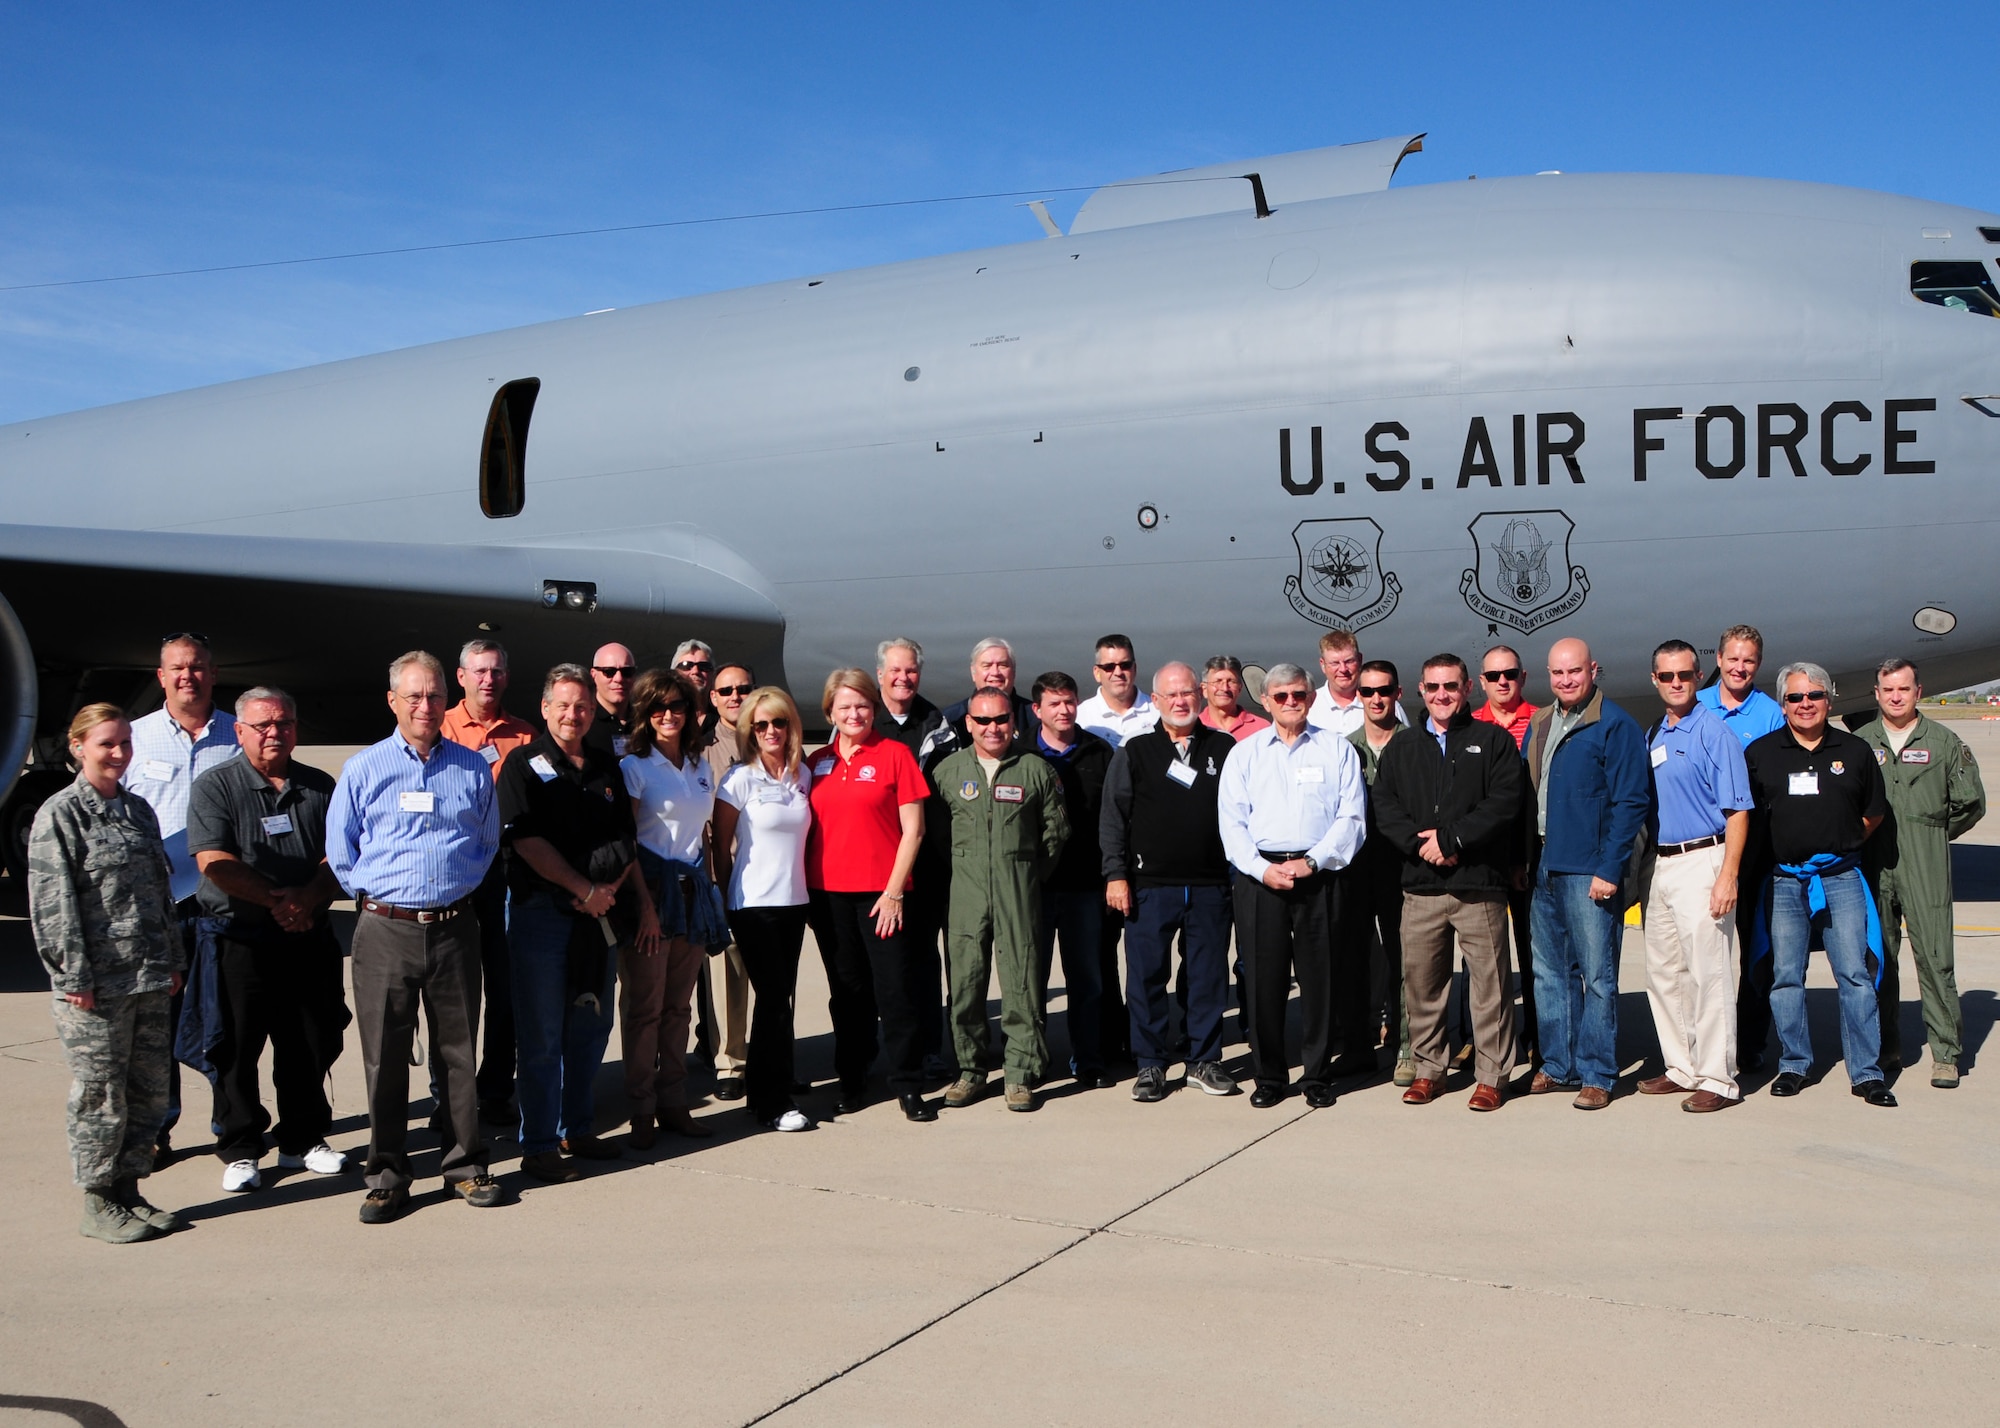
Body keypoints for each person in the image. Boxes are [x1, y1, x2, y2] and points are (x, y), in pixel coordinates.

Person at [326, 651, 504, 1223]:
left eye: (433, 696)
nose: (425, 706)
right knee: (384, 1058)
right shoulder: (364, 768)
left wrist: (453, 891)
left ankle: (465, 1165)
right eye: (413, 697)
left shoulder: (472, 767)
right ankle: (387, 1175)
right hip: (385, 931)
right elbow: (341, 850)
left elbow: (486, 841)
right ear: (393, 702)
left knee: (458, 1053)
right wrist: (382, 897)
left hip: (455, 930)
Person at [30, 704, 185, 1243]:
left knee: (146, 1091)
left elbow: (161, 897)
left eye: (124, 743)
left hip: (147, 976)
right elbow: (53, 904)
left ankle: (129, 1189)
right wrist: (73, 977)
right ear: (78, 747)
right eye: (106, 745)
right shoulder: (61, 814)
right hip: (96, 987)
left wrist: (172, 961)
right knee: (101, 1095)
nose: (119, 754)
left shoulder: (139, 811)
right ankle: (97, 1200)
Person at [186, 687, 349, 1191]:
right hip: (239, 939)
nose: (275, 732)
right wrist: (280, 902)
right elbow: (213, 862)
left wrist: (307, 901)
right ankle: (241, 1147)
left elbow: (341, 855)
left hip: (307, 937)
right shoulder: (216, 786)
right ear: (239, 732)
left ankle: (303, 1139)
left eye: (285, 723)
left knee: (310, 1038)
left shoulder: (320, 786)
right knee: (235, 1046)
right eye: (263, 725)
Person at [500, 664, 650, 1180]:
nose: (573, 714)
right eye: (562, 705)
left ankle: (577, 1128)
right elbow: (525, 840)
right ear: (544, 709)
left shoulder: (608, 767)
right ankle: (539, 1142)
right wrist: (582, 889)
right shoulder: (521, 765)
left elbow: (628, 838)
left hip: (598, 918)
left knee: (589, 1026)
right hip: (542, 915)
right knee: (541, 1034)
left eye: (582, 706)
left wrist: (603, 894)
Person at [1372, 654, 1526, 1111]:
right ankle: (1429, 1070)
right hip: (1420, 887)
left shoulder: (1493, 741)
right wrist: (1422, 846)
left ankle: (1492, 1075)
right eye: (1434, 687)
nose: (1443, 695)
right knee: (1422, 985)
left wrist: (1454, 838)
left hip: (1478, 884)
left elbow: (1504, 802)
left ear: (1467, 690)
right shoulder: (1402, 748)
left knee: (1491, 987)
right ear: (1421, 690)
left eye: (1452, 686)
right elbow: (1385, 804)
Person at [1217, 663, 1367, 1108]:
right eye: (1279, 696)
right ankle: (1269, 1075)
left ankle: (1317, 1075)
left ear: (1311, 696)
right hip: (1260, 878)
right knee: (1264, 979)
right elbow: (1232, 822)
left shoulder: (1336, 749)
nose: (1289, 703)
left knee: (1320, 978)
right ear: (1265, 701)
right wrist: (1261, 869)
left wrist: (1313, 861)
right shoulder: (1244, 754)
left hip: (1317, 875)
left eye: (1297, 694)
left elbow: (1352, 818)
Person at [1746, 663, 1895, 1107]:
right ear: (1782, 703)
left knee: (1855, 975)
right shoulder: (1761, 752)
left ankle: (1866, 1072)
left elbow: (1874, 812)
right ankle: (1793, 1063)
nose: (1805, 704)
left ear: (1829, 698)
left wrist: (1841, 845)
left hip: (1841, 877)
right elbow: (1749, 820)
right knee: (1786, 976)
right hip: (1786, 882)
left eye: (1814, 695)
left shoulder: (1854, 751)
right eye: (1795, 697)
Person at [120, 633, 239, 1166]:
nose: (188, 676)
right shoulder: (135, 739)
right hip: (155, 905)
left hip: (222, 899)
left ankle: (231, 1125)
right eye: (177, 668)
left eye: (198, 667)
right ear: (160, 676)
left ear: (213, 674)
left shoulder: (240, 734)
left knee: (224, 1015)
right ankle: (156, 1126)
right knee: (155, 1022)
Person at [1101, 663, 1239, 1102]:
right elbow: (1113, 819)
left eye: (1186, 694)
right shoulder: (1135, 752)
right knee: (1146, 976)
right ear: (1156, 701)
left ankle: (1204, 1059)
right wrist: (1115, 874)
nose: (1180, 702)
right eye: (1170, 695)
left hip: (1209, 885)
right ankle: (1151, 1064)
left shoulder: (1225, 747)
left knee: (1207, 975)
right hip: (1150, 886)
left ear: (1199, 696)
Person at [1523, 637, 1650, 1111]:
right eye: (1558, 673)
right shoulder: (1540, 722)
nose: (1566, 680)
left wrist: (1610, 868)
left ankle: (1597, 1072)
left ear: (1593, 670)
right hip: (1545, 864)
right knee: (1550, 973)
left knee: (1597, 976)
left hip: (1590, 870)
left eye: (1574, 671)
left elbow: (1631, 802)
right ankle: (1559, 1065)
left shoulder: (1614, 725)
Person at [808, 669, 936, 1121]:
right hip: (828, 897)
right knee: (847, 994)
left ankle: (907, 1083)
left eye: (862, 705)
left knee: (895, 991)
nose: (854, 713)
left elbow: (914, 829)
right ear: (830, 712)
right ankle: (852, 1078)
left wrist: (895, 891)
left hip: (883, 896)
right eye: (844, 706)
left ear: (874, 709)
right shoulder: (815, 762)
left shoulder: (895, 755)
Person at [934, 690, 1070, 1112]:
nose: (993, 729)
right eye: (983, 720)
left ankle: (1021, 1073)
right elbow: (935, 835)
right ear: (969, 724)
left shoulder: (1035, 771)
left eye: (1000, 720)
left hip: (1018, 889)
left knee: (1023, 982)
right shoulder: (947, 771)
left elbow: (1056, 832)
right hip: (966, 891)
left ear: (1013, 721)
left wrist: (1025, 871)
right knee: (966, 985)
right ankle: (971, 1071)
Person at [1858, 659, 1986, 1086]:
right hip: (1875, 859)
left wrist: (1931, 832)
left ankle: (1946, 1052)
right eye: (1888, 689)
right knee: (1878, 956)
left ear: (1918, 692)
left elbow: (1971, 802)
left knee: (1935, 957)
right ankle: (1885, 1045)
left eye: (1904, 689)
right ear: (1876, 694)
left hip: (1925, 856)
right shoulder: (1860, 743)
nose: (1896, 696)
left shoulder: (1944, 742)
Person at [1635, 641, 1751, 1113]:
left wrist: (1728, 876)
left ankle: (1718, 1077)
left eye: (1685, 675)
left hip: (1705, 858)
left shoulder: (1714, 732)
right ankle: (1681, 1066)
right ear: (1655, 680)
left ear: (1699, 676)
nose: (1676, 683)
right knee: (1664, 973)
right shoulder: (1656, 734)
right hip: (1661, 865)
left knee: (1710, 974)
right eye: (1667, 676)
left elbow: (1739, 811)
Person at [619, 668, 726, 1144]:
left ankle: (674, 1102)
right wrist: (643, 905)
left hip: (691, 893)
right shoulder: (635, 767)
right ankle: (641, 1109)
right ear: (645, 713)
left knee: (679, 1008)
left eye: (677, 707)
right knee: (644, 1008)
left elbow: (702, 836)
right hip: (650, 892)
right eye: (658, 707)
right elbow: (627, 843)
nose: (668, 715)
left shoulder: (700, 766)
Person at [441, 638, 537, 1125]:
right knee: (453, 989)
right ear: (461, 677)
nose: (488, 680)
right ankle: (450, 1097)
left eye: (497, 671)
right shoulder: (439, 728)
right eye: (479, 671)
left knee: (504, 986)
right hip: (455, 868)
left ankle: (496, 1090)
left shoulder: (523, 735)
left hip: (505, 867)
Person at [713, 688, 816, 1131]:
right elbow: (719, 846)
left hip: (795, 904)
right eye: (760, 725)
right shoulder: (739, 780)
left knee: (778, 1000)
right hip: (753, 905)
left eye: (779, 723)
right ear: (749, 732)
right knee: (773, 1000)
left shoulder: (803, 776)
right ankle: (775, 1101)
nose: (771, 731)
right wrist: (724, 898)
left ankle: (761, 1090)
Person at [1696, 625, 1787, 1070]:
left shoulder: (1770, 714)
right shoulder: (1697, 705)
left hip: (1751, 850)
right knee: (1703, 950)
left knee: (1755, 950)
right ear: (1718, 658)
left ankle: (1749, 1041)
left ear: (1758, 665)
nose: (1739, 667)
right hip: (1701, 845)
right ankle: (1700, 1039)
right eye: (1733, 658)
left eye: (1748, 661)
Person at [1028, 671, 1115, 1088]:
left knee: (1087, 978)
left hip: (1085, 886)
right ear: (1037, 710)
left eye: (1069, 702)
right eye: (1054, 704)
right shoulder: (1020, 753)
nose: (1064, 710)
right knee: (1031, 979)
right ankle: (1031, 1059)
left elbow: (1115, 818)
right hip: (1034, 888)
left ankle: (1090, 1058)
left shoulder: (1099, 752)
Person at [873, 638, 951, 1077]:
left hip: (927, 865)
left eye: (911, 671)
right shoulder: (862, 720)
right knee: (879, 966)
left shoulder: (937, 723)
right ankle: (867, 1054)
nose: (904, 679)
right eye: (896, 671)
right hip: (874, 863)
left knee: (923, 960)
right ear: (881, 673)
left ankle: (928, 1050)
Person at [1346, 661, 1413, 1085]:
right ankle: (1356, 1044)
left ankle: (1407, 1043)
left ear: (1397, 693)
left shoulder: (1417, 745)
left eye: (1383, 690)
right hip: (1355, 869)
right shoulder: (1344, 748)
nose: (1376, 699)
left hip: (1403, 868)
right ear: (1359, 696)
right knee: (1353, 957)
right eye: (1368, 691)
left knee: (1405, 958)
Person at [1473, 644, 1540, 1059]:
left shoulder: (1543, 721)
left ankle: (1536, 1034)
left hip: (1529, 854)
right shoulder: (1469, 725)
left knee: (1535, 953)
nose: (1503, 682)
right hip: (1482, 857)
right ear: (1481, 682)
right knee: (1480, 959)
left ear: (1523, 677)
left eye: (1510, 674)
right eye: (1494, 676)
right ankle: (1478, 1039)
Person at [699, 662, 758, 1102]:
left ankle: (776, 1055)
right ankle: (730, 1062)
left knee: (776, 979)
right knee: (729, 974)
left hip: (771, 880)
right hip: (724, 876)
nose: (735, 697)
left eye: (743, 689)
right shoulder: (699, 749)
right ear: (713, 698)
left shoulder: (773, 738)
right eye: (726, 691)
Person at [1307, 629, 1407, 736]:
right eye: (1335, 663)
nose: (1343, 669)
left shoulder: (1387, 705)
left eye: (1349, 661)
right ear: (1322, 664)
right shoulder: (1309, 706)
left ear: (1360, 659)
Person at [1077, 634, 1159, 749]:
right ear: (1097, 673)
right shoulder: (1080, 718)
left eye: (1125, 665)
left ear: (1134, 669)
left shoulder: (1159, 713)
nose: (1118, 672)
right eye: (1109, 667)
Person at [583, 642, 638, 760]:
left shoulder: (646, 720)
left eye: (626, 672)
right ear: (593, 675)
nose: (619, 679)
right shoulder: (582, 720)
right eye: (609, 671)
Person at [1200, 655, 1270, 740]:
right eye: (1218, 681)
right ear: (1204, 689)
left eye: (1231, 682)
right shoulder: (1193, 728)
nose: (1225, 688)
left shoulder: (1261, 728)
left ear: (1239, 688)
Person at [672, 639, 717, 734]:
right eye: (686, 666)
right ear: (673, 674)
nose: (695, 671)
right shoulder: (662, 719)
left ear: (713, 674)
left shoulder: (723, 721)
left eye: (704, 666)